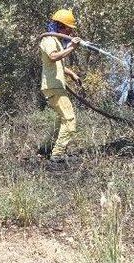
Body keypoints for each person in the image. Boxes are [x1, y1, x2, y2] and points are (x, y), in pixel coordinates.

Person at [38, 9, 82, 165]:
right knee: (69, 120)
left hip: (55, 86)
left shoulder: (56, 41)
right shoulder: (49, 40)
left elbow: (58, 65)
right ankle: (57, 155)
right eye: (68, 28)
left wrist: (72, 75)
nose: (69, 31)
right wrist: (71, 48)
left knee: (60, 119)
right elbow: (53, 57)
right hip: (53, 87)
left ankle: (44, 148)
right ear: (60, 26)